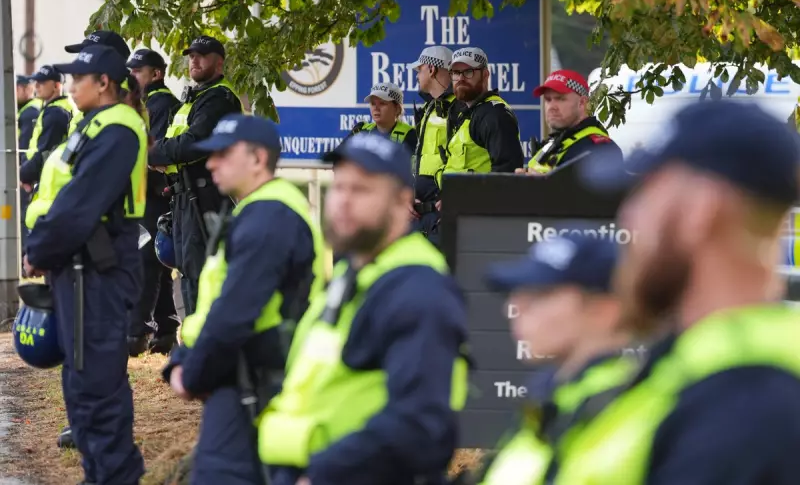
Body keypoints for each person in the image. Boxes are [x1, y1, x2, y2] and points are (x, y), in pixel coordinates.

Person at [553, 102, 800, 484]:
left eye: (645, 193)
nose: (627, 217)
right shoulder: (703, 371)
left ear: (700, 210)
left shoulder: (742, 412)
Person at [258, 132, 470, 485]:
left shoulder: (418, 288)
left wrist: (322, 475)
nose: (342, 201)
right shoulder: (355, 270)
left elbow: (420, 426)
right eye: (339, 187)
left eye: (361, 190)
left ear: (402, 201)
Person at [163, 114, 326, 485]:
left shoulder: (269, 216)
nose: (210, 163)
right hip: (244, 375)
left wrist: (192, 371)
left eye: (223, 154)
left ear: (257, 159)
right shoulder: (259, 210)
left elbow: (235, 311)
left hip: (255, 382)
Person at [23, 43, 148, 485]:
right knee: (81, 389)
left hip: (99, 269)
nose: (71, 86)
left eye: (79, 79)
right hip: (77, 269)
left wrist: (39, 250)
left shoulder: (118, 131)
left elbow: (79, 205)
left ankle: (115, 476)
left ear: (104, 84)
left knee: (97, 389)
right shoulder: (94, 124)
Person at [474, 234, 639, 485]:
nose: (515, 306)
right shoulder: (549, 402)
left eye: (541, 294)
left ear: (605, 308)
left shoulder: (628, 407)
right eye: (518, 294)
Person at [149, 35, 243, 317]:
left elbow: (193, 143)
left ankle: (203, 344)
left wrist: (156, 155)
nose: (194, 60)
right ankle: (192, 340)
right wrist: (165, 155)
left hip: (204, 196)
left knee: (199, 273)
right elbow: (173, 142)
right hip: (184, 195)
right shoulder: (196, 97)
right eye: (191, 55)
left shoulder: (219, 98)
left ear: (219, 62)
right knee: (187, 272)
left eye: (202, 55)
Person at [126, 48, 182, 356]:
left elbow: (153, 152)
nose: (132, 76)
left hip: (156, 193)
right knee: (156, 263)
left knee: (147, 261)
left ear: (156, 74)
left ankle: (139, 330)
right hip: (150, 193)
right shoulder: (147, 103)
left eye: (137, 72)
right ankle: (166, 329)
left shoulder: (160, 104)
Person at [436, 47, 523, 189]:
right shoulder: (466, 112)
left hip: (479, 209)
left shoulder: (495, 114)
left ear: (485, 75)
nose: (461, 78)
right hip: (458, 207)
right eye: (456, 73)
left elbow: (506, 175)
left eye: (468, 72)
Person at [519, 70, 622, 175]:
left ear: (582, 103)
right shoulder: (553, 144)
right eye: (548, 100)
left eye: (560, 99)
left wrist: (542, 186)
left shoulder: (600, 148)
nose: (551, 107)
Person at [407, 46, 458, 246]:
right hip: (419, 217)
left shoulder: (459, 108)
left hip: (443, 217)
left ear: (431, 69)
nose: (417, 76)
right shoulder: (429, 108)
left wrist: (455, 194)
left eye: (419, 70)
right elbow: (418, 161)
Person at [19, 65, 74, 192]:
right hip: (47, 177)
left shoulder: (56, 113)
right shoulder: (55, 108)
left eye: (42, 82)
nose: (37, 86)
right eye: (36, 81)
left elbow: (45, 152)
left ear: (57, 86)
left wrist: (23, 174)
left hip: (52, 180)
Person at [350, 83, 416, 153]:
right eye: (373, 103)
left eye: (382, 103)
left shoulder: (411, 135)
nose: (376, 108)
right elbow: (339, 157)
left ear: (397, 108)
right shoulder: (360, 130)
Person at [16, 74, 41, 254]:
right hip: (25, 173)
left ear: (25, 89)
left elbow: (24, 147)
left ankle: (25, 255)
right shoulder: (24, 110)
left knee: (24, 218)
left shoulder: (30, 111)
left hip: (26, 176)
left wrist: (21, 173)